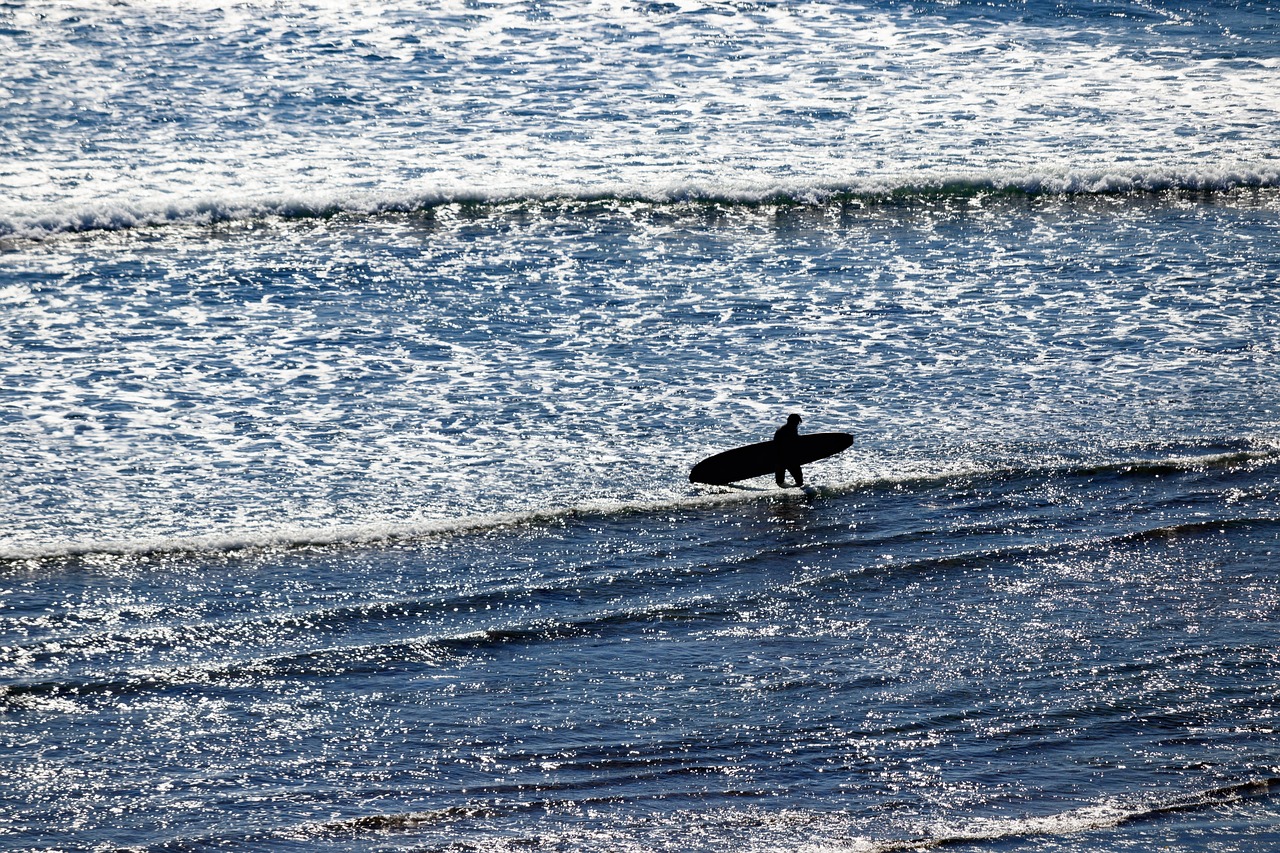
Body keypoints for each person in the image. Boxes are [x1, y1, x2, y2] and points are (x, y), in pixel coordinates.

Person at [773, 413, 803, 488]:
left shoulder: (790, 429)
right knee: (781, 482)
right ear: (789, 421)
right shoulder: (783, 431)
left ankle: (789, 491)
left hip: (786, 458)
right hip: (783, 458)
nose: (797, 424)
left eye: (797, 423)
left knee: (798, 481)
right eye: (796, 422)